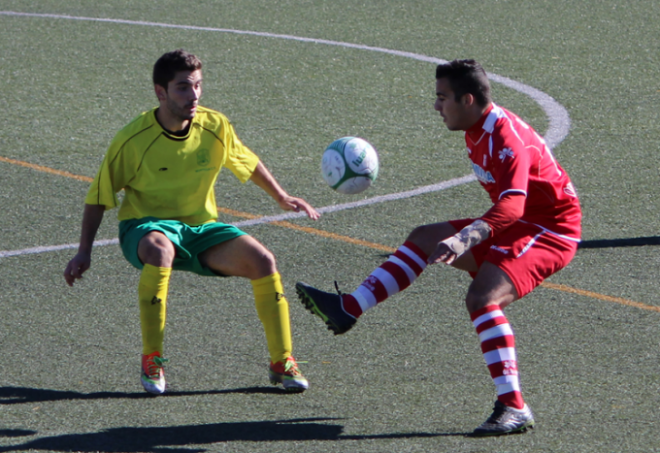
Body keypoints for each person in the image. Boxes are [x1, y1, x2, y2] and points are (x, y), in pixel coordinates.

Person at [296, 59, 581, 435]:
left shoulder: (506, 138)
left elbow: (513, 205)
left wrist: (467, 237)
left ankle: (514, 407)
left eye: (442, 98)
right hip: (518, 222)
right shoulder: (476, 128)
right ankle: (349, 307)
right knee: (423, 238)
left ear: (467, 99)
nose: (436, 106)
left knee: (482, 298)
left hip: (550, 229)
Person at [64, 49, 320, 395]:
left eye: (198, 85)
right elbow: (98, 197)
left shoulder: (214, 125)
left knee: (264, 261)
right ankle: (152, 360)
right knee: (158, 249)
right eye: (183, 87)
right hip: (144, 227)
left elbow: (246, 159)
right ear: (160, 92)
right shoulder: (132, 140)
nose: (194, 95)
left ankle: (282, 361)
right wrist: (84, 252)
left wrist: (281, 196)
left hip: (200, 230)